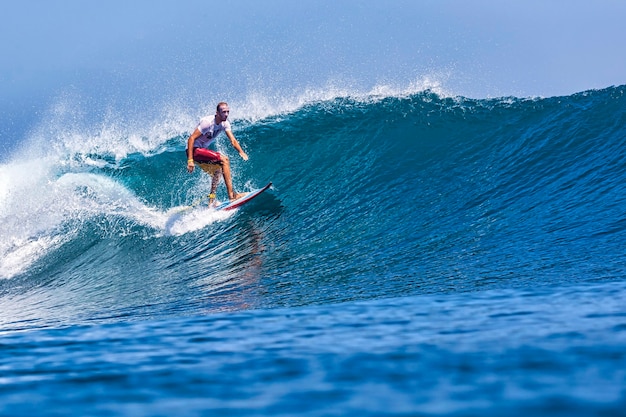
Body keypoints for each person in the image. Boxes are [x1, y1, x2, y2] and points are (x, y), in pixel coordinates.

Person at [186, 102, 248, 205]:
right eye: (224, 112)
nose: (226, 114)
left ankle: (210, 201)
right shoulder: (207, 123)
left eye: (228, 112)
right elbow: (191, 138)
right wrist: (190, 160)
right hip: (193, 151)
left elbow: (233, 140)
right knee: (225, 160)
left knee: (217, 172)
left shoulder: (225, 123)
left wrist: (241, 151)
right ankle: (232, 196)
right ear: (217, 113)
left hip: (200, 151)